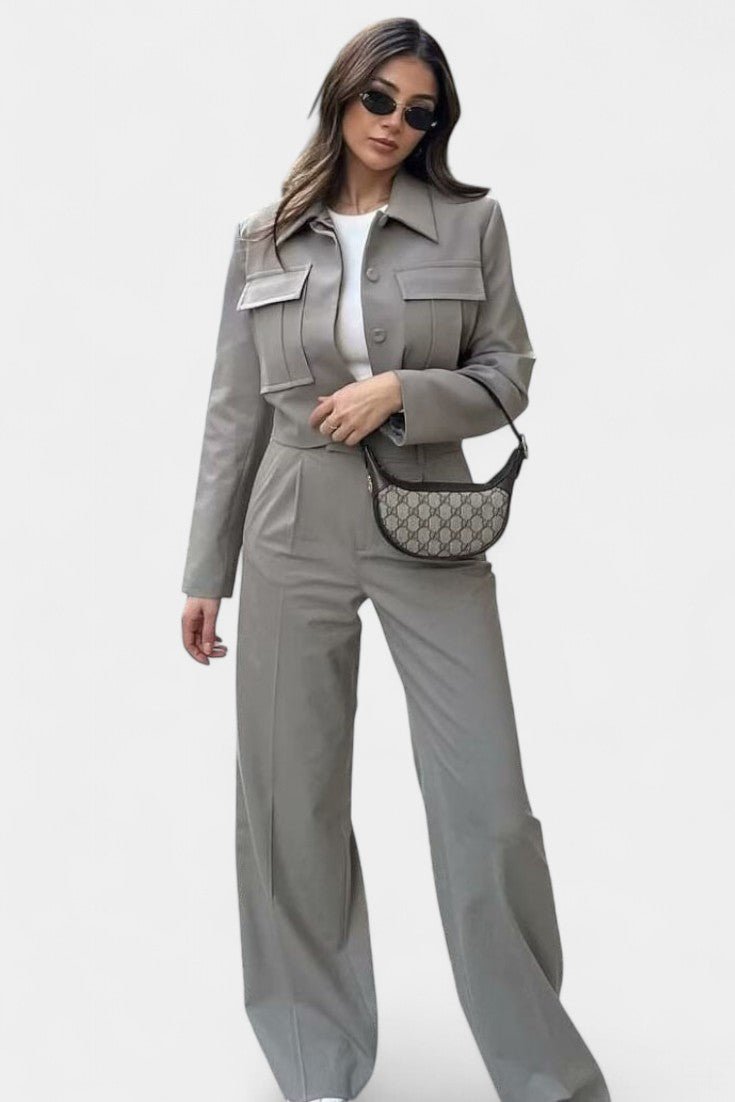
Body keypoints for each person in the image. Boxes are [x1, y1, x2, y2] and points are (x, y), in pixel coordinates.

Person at [180, 17, 612, 1102]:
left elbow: (509, 373)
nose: (395, 124)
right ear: (343, 95)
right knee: (288, 805)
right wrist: (205, 570)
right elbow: (233, 413)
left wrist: (403, 393)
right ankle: (316, 1065)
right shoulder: (263, 238)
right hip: (290, 522)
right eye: (380, 100)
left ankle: (545, 1077)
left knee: (488, 806)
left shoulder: (471, 222)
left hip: (429, 518)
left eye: (420, 112)